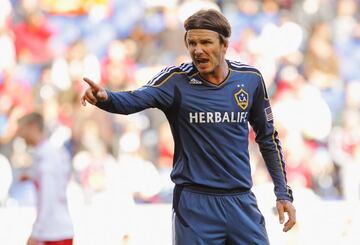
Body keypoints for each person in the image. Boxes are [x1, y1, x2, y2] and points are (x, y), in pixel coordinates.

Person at [81, 9, 296, 245]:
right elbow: (134, 99)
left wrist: (282, 192)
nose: (197, 50)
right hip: (195, 205)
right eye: (192, 43)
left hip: (240, 200)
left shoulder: (250, 79)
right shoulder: (175, 81)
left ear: (224, 45)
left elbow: (267, 138)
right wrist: (105, 98)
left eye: (206, 42)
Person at [17, 112, 74, 245]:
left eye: (22, 129)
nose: (20, 135)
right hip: (57, 229)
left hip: (53, 232)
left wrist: (36, 233)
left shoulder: (47, 156)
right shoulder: (51, 152)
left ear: (32, 127)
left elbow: (48, 196)